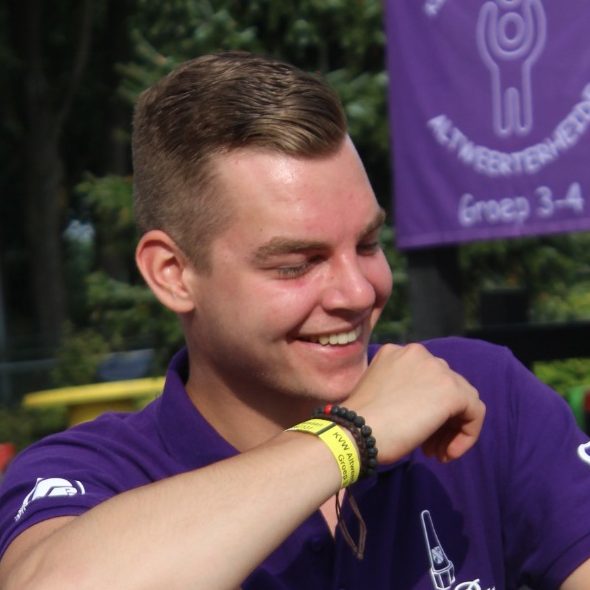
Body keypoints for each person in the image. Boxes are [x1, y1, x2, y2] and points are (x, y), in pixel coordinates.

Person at [0, 51, 588, 590]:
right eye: (296, 264)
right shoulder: (93, 472)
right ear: (173, 274)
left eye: (367, 243)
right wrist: (348, 438)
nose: (359, 292)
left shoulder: (474, 394)